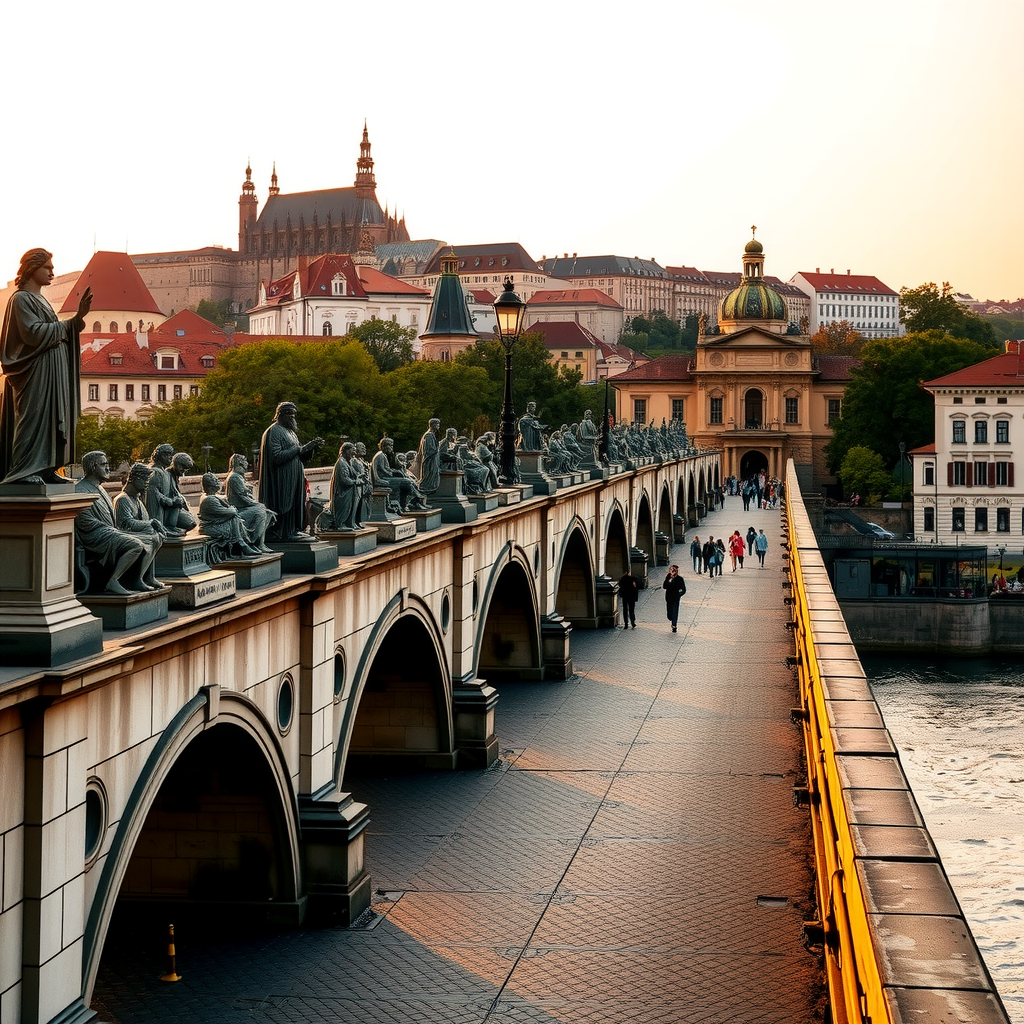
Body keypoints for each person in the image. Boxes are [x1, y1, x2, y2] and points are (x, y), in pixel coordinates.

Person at [0, 249, 92, 484]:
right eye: (47, 268)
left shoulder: (42, 300)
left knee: (50, 419)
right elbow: (32, 334)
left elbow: (51, 329)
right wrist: (65, 326)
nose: (53, 272)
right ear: (32, 269)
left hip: (52, 370)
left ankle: (45, 468)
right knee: (33, 418)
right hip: (35, 371)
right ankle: (23, 471)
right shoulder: (20, 298)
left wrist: (76, 320)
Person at [74, 451, 162, 595]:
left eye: (107, 464)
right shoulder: (79, 489)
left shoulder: (100, 488)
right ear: (92, 466)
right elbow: (84, 521)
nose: (108, 468)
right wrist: (112, 531)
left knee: (153, 538)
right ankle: (113, 581)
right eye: (104, 464)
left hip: (109, 532)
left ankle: (138, 579)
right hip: (95, 536)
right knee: (135, 545)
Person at [257, 402, 325, 542]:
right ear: (280, 415)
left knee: (296, 504)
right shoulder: (274, 431)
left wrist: (310, 448)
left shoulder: (291, 432)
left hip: (295, 477)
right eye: (289, 413)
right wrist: (300, 449)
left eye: (294, 413)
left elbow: (300, 455)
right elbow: (276, 457)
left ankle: (293, 530)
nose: (292, 416)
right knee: (285, 504)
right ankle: (283, 533)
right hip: (281, 479)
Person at [198, 473, 260, 561]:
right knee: (234, 518)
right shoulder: (209, 500)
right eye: (216, 481)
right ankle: (242, 545)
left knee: (234, 519)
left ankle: (242, 545)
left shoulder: (210, 497)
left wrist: (231, 510)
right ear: (210, 485)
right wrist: (232, 509)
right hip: (210, 528)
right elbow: (231, 512)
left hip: (213, 524)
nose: (219, 482)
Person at [226, 453, 276, 552]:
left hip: (244, 508)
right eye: (245, 461)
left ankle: (260, 543)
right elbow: (243, 497)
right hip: (238, 511)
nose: (247, 463)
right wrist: (258, 505)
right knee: (261, 511)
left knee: (267, 512)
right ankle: (254, 542)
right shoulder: (235, 477)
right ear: (240, 462)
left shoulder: (239, 476)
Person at [416, 418, 442, 494]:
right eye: (437, 424)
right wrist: (438, 448)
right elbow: (429, 450)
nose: (438, 426)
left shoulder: (431, 434)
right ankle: (425, 492)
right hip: (430, 461)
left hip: (433, 460)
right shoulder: (428, 435)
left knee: (432, 477)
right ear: (432, 425)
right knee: (428, 478)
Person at [663, 564, 686, 633]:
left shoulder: (680, 579)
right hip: (669, 598)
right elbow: (664, 586)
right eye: (671, 570)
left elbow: (683, 589)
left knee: (675, 612)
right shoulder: (668, 577)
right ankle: (671, 619)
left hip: (676, 598)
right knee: (670, 614)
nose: (673, 571)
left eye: (674, 570)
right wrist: (669, 581)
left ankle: (674, 625)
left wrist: (679, 594)